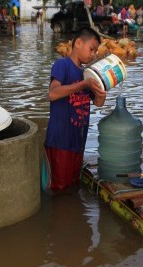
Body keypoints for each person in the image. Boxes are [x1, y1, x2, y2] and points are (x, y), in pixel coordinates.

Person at [43, 28, 107, 194]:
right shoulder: (62, 65)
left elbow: (98, 103)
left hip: (78, 142)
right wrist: (82, 85)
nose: (93, 54)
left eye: (96, 51)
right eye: (91, 49)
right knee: (58, 190)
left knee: (72, 186)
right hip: (60, 141)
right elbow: (53, 93)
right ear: (78, 43)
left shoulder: (87, 74)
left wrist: (103, 89)